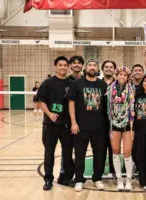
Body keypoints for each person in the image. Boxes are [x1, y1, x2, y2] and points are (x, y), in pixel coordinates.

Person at [68, 58, 108, 191]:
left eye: (94, 65)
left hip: (99, 127)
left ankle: (97, 178)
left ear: (97, 69)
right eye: (90, 65)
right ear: (85, 68)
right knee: (80, 154)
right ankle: (79, 178)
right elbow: (71, 103)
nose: (92, 67)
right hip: (81, 126)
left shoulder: (103, 85)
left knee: (99, 154)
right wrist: (73, 122)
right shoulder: (77, 83)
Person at [37, 56, 74, 191]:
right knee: (49, 153)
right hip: (50, 124)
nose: (63, 67)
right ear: (55, 66)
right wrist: (49, 114)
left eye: (65, 65)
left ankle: (67, 178)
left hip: (66, 125)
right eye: (60, 65)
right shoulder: (48, 83)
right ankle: (48, 179)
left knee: (67, 153)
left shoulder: (71, 83)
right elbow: (40, 100)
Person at [107, 66, 135, 191]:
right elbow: (107, 107)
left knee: (127, 152)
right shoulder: (110, 88)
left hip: (128, 124)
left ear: (128, 77)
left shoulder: (132, 89)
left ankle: (128, 179)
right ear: (116, 75)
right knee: (115, 151)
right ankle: (119, 179)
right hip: (114, 124)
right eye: (120, 74)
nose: (122, 77)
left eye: (125, 75)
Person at [57, 55, 84, 186]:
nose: (77, 65)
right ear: (70, 66)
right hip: (67, 123)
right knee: (66, 150)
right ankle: (64, 174)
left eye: (79, 63)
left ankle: (78, 175)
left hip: (83, 123)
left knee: (80, 151)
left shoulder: (86, 80)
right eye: (74, 63)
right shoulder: (65, 81)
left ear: (82, 66)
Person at [101, 60, 117, 178]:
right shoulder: (97, 83)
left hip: (115, 121)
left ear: (114, 69)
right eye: (106, 67)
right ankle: (100, 172)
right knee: (100, 147)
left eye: (111, 67)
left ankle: (114, 171)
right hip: (99, 122)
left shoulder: (118, 84)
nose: (108, 69)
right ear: (102, 69)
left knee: (114, 147)